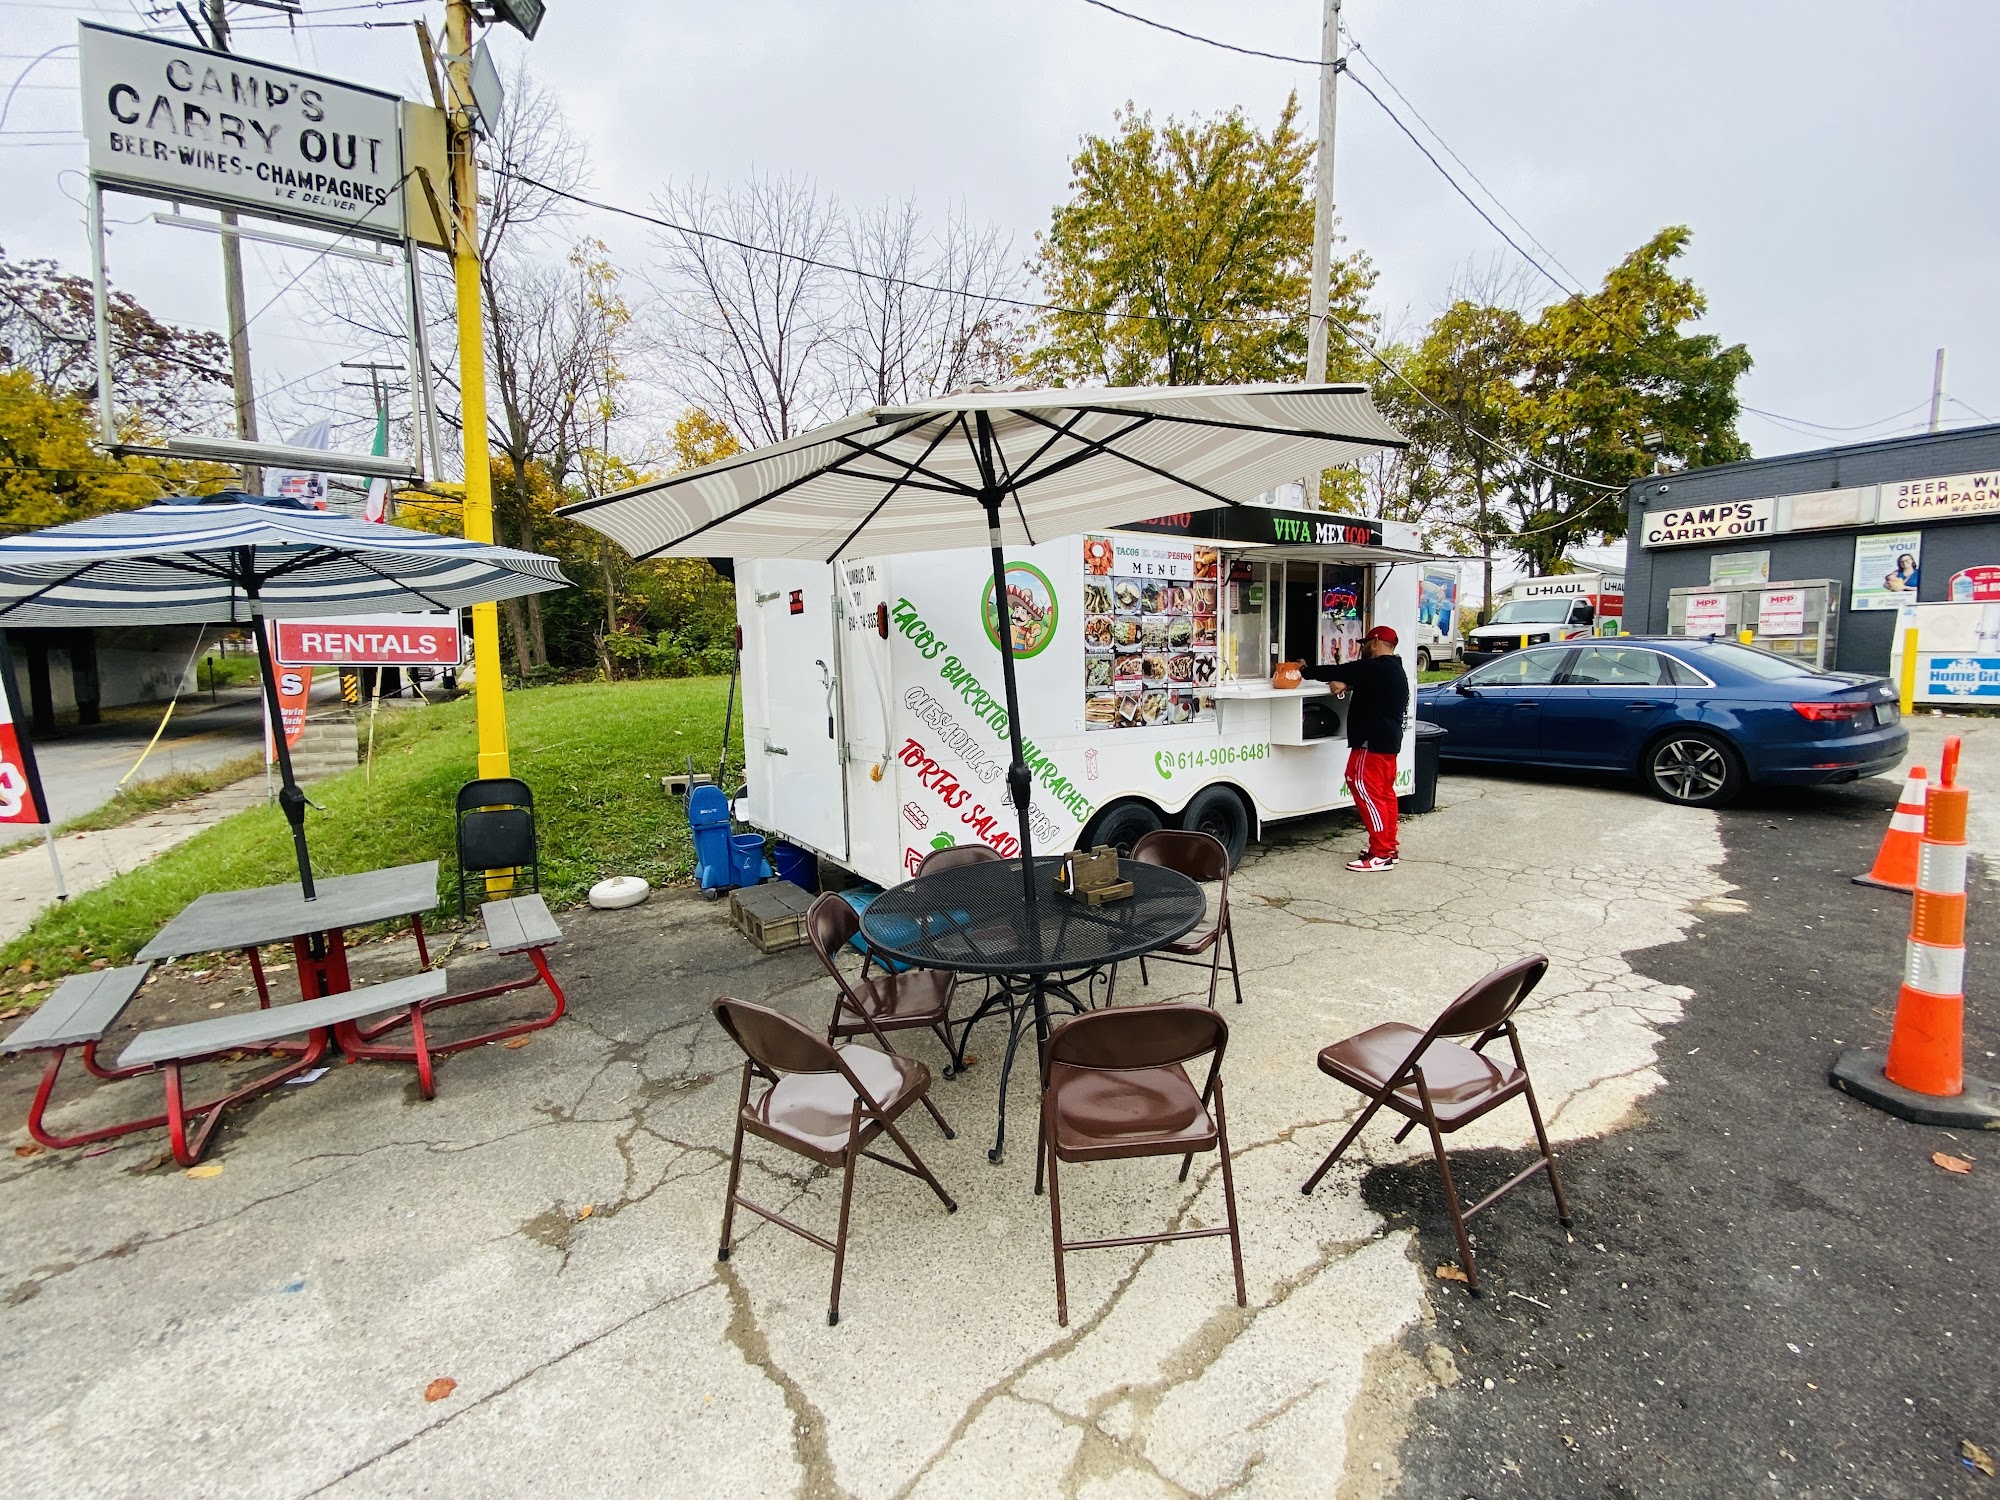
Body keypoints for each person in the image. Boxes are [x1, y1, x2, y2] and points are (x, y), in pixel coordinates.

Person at [1309, 624, 1409, 872]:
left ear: (1375, 642)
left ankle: (1381, 853)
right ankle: (1389, 846)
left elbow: (1338, 670)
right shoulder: (1393, 669)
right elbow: (1365, 683)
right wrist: (1348, 684)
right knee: (1384, 794)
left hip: (1371, 741)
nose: (1362, 647)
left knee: (1364, 788)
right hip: (1387, 741)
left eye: (1365, 643)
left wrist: (1303, 670)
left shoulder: (1374, 667)